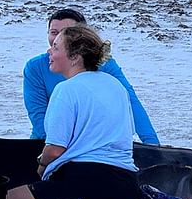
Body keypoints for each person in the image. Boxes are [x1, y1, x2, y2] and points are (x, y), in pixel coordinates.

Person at [6, 25, 143, 199]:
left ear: (75, 57)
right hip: (127, 187)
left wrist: (40, 167)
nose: (49, 52)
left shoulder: (66, 89)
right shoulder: (115, 85)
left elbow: (55, 150)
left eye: (55, 47)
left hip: (85, 182)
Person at [23, 8, 160, 144]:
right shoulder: (36, 67)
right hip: (49, 143)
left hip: (94, 143)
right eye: (54, 32)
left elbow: (131, 102)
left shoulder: (104, 64)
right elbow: (39, 116)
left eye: (67, 32)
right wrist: (59, 149)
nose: (58, 38)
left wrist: (152, 144)